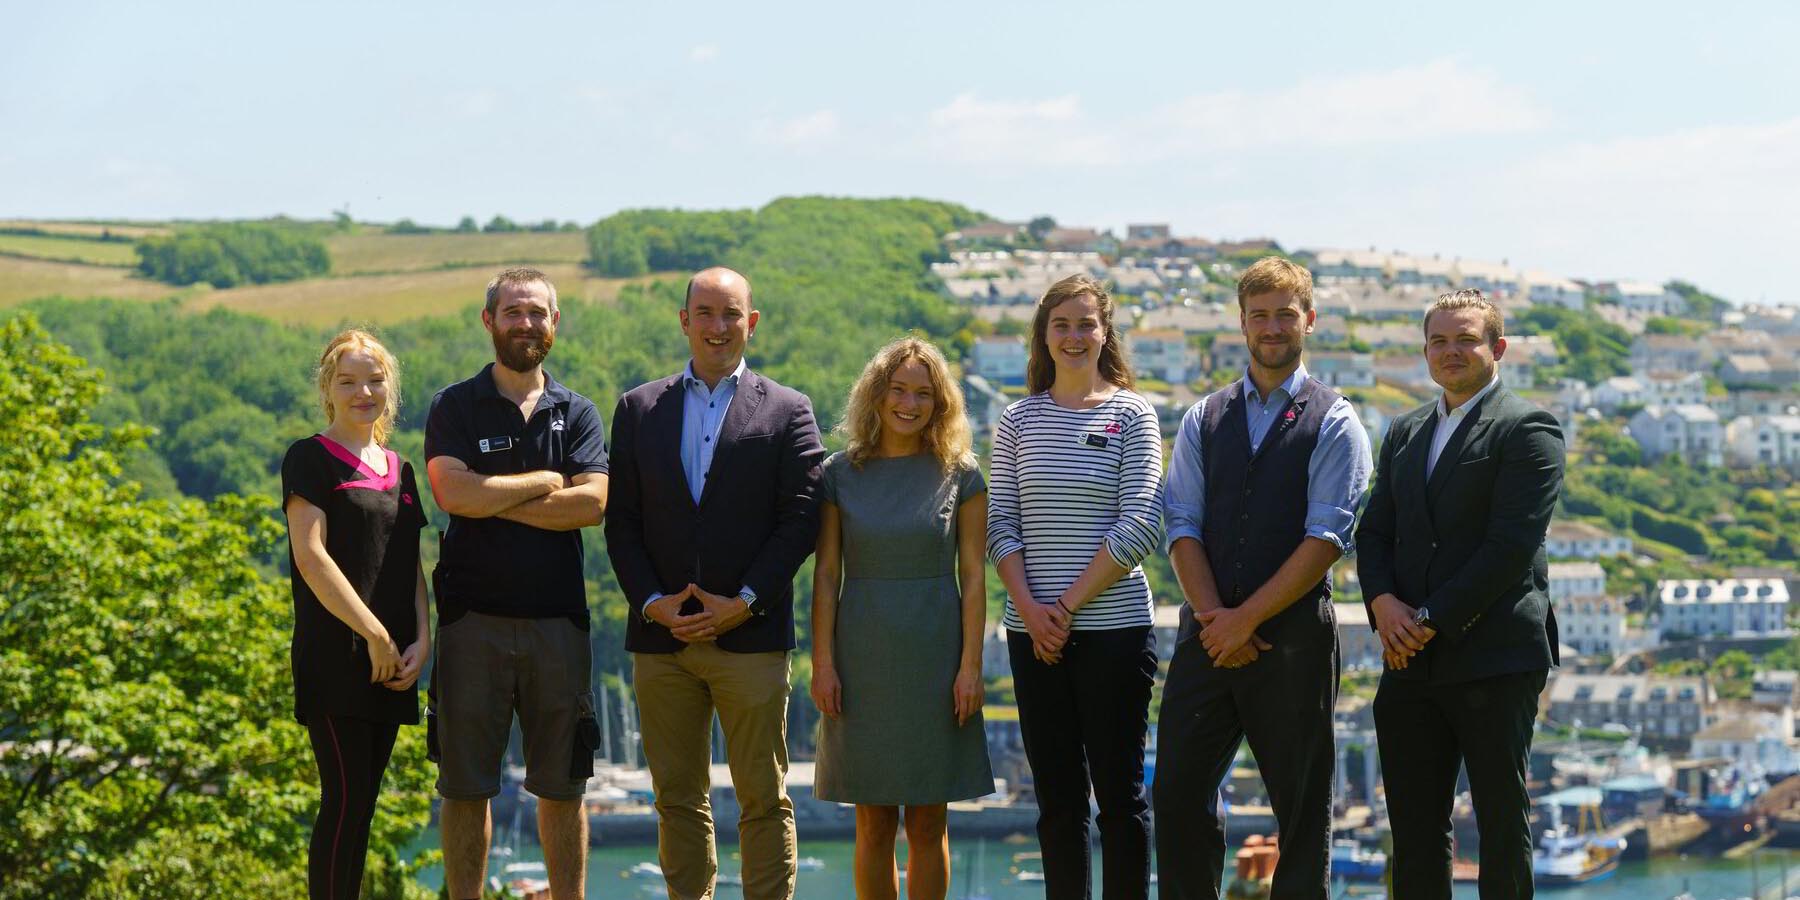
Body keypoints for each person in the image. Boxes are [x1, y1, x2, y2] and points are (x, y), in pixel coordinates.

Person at [1153, 257, 1372, 900]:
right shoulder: (1203, 418)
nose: (1272, 327)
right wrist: (1217, 620)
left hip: (1294, 642)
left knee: (1301, 813)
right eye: (1260, 315)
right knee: (1178, 793)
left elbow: (1327, 537)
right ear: (1241, 324)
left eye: (1285, 313)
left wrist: (1243, 621)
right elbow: (1181, 525)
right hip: (1207, 634)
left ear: (1309, 318)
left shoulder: (1336, 419)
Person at [605, 266, 826, 900]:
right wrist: (653, 604)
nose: (717, 326)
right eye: (704, 313)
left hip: (751, 638)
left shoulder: (789, 410)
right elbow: (621, 523)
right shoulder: (638, 408)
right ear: (684, 321)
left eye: (730, 314)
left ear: (750, 322)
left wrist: (746, 601)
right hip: (661, 640)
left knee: (763, 796)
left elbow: (802, 520)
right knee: (676, 798)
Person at [1356, 289, 1565, 899]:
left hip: (1494, 656)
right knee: (1415, 828)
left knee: (1501, 823)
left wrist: (1425, 619)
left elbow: (1510, 547)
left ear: (1496, 347)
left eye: (1466, 339)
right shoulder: (1404, 430)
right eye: (1439, 341)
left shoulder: (1528, 428)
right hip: (1407, 659)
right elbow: (1375, 533)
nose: (1451, 351)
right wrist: (1383, 608)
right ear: (1425, 351)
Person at [424, 267, 611, 900]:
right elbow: (452, 492)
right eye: (513, 312)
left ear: (555, 323)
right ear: (489, 321)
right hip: (469, 621)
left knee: (563, 786)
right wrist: (544, 482)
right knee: (464, 787)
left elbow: (591, 506)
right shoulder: (455, 405)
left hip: (558, 622)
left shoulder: (577, 411)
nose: (525, 323)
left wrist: (490, 497)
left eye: (537, 313)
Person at [987, 273, 1165, 900]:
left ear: (1105, 331)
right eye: (1060, 324)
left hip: (1114, 633)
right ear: (1043, 334)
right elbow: (1000, 526)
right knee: (1057, 802)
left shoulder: (1132, 413)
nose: (1073, 335)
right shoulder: (1016, 420)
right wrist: (1034, 614)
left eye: (1086, 323)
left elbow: (1142, 521)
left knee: (1120, 797)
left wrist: (1061, 607)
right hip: (1032, 637)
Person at [810, 337, 993, 900]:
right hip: (861, 662)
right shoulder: (839, 473)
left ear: (940, 404)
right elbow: (825, 576)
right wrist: (822, 664)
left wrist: (970, 668)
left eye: (923, 394)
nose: (909, 404)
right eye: (898, 390)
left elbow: (974, 578)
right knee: (873, 821)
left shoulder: (960, 474)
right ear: (876, 394)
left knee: (928, 822)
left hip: (936, 661)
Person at [282, 329, 430, 900]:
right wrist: (372, 633)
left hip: (394, 661)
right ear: (328, 388)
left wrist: (423, 639)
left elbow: (409, 566)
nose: (362, 391)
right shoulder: (309, 457)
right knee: (342, 802)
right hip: (338, 657)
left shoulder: (401, 468)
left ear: (389, 387)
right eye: (348, 381)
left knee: (364, 805)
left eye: (373, 379)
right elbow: (310, 556)